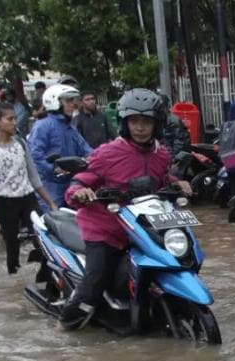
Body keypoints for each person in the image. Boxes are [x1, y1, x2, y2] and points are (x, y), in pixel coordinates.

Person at [59, 88, 192, 331]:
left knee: (179, 257)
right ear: (124, 122)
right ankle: (67, 324)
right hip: (105, 230)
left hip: (141, 228)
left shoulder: (161, 153)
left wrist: (178, 183)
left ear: (157, 124)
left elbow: (162, 180)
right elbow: (80, 180)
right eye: (134, 121)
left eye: (146, 122)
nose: (140, 128)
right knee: (95, 281)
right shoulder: (108, 153)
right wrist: (80, 192)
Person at [0, 102, 57, 274]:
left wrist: (51, 204)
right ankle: (13, 279)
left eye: (15, 118)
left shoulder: (21, 143)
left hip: (28, 198)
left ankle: (50, 275)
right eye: (10, 119)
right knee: (12, 244)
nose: (15, 122)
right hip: (4, 203)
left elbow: (34, 177)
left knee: (42, 237)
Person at [28, 84, 92, 212]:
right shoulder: (42, 126)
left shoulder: (70, 128)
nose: (73, 104)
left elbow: (87, 150)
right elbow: (35, 156)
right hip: (50, 187)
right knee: (54, 223)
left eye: (73, 101)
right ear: (54, 102)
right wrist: (53, 169)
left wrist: (107, 154)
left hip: (71, 184)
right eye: (68, 101)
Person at [159, 93, 191, 158]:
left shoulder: (173, 121)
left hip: (172, 158)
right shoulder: (158, 119)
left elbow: (180, 143)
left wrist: (172, 159)